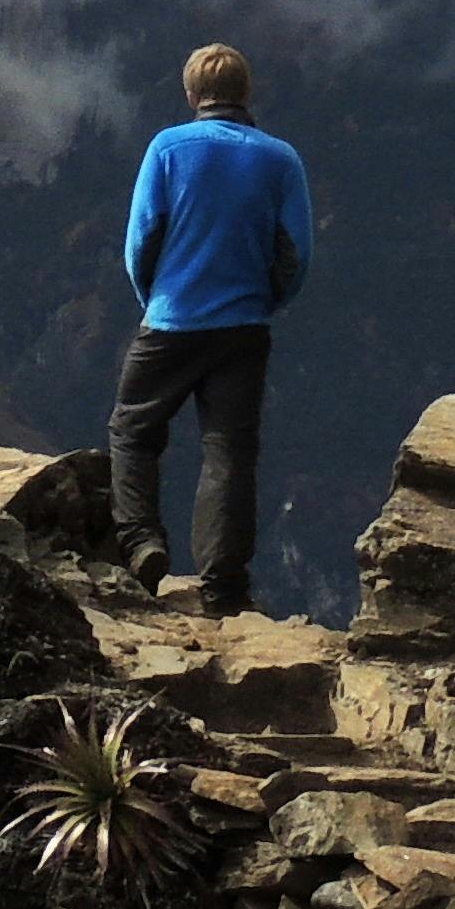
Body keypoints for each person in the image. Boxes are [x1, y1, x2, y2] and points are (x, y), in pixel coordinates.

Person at [109, 41, 312, 614]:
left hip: (170, 321)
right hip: (243, 327)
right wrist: (266, 301)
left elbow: (141, 239)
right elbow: (296, 250)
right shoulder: (280, 159)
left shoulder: (168, 149)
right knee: (228, 452)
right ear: (246, 93)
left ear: (192, 94)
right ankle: (223, 589)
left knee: (132, 431)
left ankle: (141, 543)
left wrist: (154, 299)